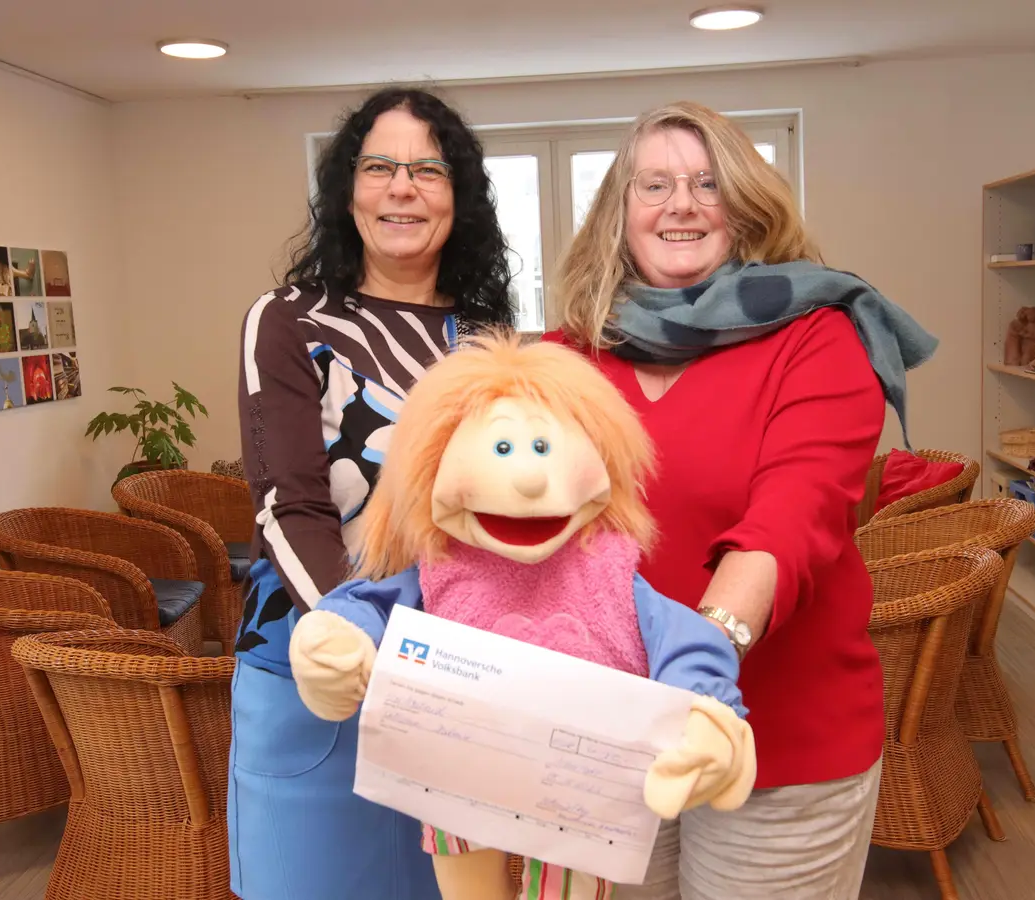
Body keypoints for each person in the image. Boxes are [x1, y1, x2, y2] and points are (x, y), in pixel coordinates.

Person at [542, 100, 939, 898]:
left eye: (707, 184)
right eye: (654, 184)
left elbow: (790, 520)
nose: (680, 204)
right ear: (619, 215)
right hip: (603, 739)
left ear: (747, 208)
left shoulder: (818, 336)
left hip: (783, 743)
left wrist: (699, 669)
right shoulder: (563, 359)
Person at [228, 85, 515, 900]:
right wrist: (358, 645)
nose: (402, 187)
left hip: (460, 682)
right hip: (317, 673)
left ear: (458, 197)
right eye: (380, 166)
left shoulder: (488, 336)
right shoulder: (287, 319)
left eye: (428, 170)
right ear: (346, 189)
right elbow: (289, 505)